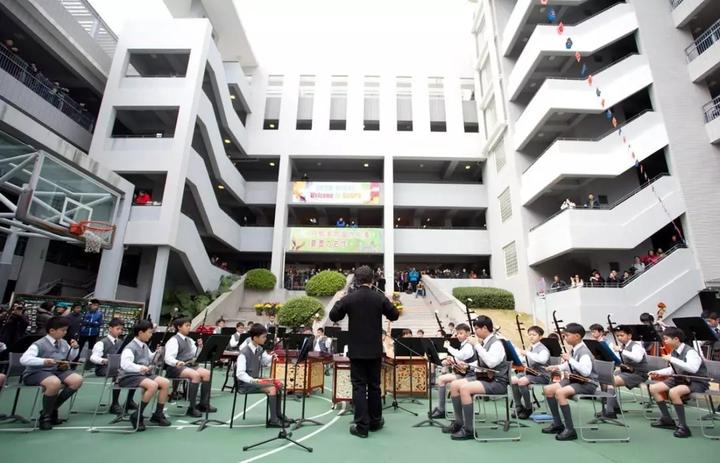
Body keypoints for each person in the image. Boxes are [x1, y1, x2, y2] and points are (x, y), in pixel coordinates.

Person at [329, 265, 400, 438]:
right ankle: (375, 421)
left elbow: (333, 316)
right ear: (372, 280)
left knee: (359, 387)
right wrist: (388, 301)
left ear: (356, 280)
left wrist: (340, 299)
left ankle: (362, 426)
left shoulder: (349, 298)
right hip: (374, 350)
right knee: (375, 386)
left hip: (357, 351)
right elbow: (394, 315)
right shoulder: (379, 297)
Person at [444, 315, 509, 440]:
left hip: (496, 382)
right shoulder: (486, 342)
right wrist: (468, 365)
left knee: (465, 389)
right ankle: (459, 422)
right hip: (485, 378)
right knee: (454, 385)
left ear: (484, 328)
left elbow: (491, 363)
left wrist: (477, 345)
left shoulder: (496, 344)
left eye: (476, 329)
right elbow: (482, 362)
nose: (475, 332)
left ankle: (469, 429)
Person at [20, 316, 83, 430]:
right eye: (63, 330)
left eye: (66, 330)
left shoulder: (63, 342)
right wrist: (43, 361)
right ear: (52, 331)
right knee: (54, 383)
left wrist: (75, 348)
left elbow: (70, 358)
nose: (65, 332)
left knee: (77, 380)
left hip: (57, 371)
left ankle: (51, 409)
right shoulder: (39, 344)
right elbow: (24, 359)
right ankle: (46, 417)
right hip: (36, 372)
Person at [648, 327, 710, 438]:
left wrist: (672, 359)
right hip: (680, 378)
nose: (664, 341)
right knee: (653, 388)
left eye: (666, 339)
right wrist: (658, 372)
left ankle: (683, 427)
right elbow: (674, 369)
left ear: (676, 339)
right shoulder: (674, 351)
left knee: (674, 392)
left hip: (696, 381)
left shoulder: (690, 352)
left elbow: (693, 369)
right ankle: (667, 419)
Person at [542, 323, 597, 441]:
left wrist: (570, 359)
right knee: (548, 389)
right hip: (575, 380)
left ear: (577, 336)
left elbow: (586, 372)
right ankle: (557, 423)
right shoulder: (575, 349)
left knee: (560, 393)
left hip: (587, 383)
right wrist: (556, 367)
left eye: (567, 335)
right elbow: (569, 365)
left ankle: (570, 429)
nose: (564, 338)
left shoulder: (584, 352)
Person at [118, 320, 171, 431]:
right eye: (149, 332)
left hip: (142, 375)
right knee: (153, 385)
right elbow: (125, 364)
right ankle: (137, 415)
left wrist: (157, 353)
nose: (151, 335)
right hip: (128, 376)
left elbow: (149, 358)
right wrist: (140, 368)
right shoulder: (130, 347)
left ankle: (158, 414)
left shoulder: (144, 345)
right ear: (141, 333)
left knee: (165, 383)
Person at [235, 323, 291, 427]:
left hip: (255, 380)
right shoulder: (244, 352)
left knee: (278, 384)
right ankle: (273, 420)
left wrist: (272, 357)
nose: (265, 339)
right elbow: (240, 374)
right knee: (272, 388)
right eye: (263, 337)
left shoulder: (259, 349)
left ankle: (278, 414)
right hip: (245, 384)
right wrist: (253, 380)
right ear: (255, 338)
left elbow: (264, 361)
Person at [164, 317, 216, 417]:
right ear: (179, 327)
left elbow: (195, 354)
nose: (189, 327)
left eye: (189, 325)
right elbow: (168, 358)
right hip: (175, 368)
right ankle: (192, 407)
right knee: (195, 375)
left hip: (189, 366)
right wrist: (177, 362)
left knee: (207, 373)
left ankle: (203, 404)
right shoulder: (173, 340)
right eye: (186, 325)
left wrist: (200, 347)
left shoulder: (189, 340)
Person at [89, 318, 137, 414]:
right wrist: (104, 360)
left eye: (121, 329)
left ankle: (129, 400)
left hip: (116, 367)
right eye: (117, 329)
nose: (120, 331)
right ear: (110, 328)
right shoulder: (101, 342)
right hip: (102, 369)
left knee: (134, 372)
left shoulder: (121, 342)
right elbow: (93, 357)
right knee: (118, 373)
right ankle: (114, 404)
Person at [601, 325, 649, 419]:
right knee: (605, 379)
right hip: (627, 371)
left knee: (611, 381)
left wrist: (621, 350)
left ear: (629, 336)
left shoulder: (636, 346)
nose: (619, 338)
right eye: (617, 336)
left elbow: (638, 358)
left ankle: (610, 412)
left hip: (638, 374)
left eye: (621, 335)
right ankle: (614, 407)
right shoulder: (623, 346)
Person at [430, 323, 476, 419]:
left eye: (461, 333)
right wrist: (451, 360)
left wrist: (448, 347)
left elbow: (461, 355)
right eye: (457, 333)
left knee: (442, 379)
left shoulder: (468, 345)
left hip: (469, 375)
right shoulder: (464, 345)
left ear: (468, 333)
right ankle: (441, 408)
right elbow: (460, 358)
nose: (458, 335)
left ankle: (442, 410)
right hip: (463, 373)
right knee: (441, 379)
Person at [511, 325, 551, 419]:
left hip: (542, 375)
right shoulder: (531, 348)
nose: (531, 337)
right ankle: (518, 406)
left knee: (521, 381)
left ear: (540, 337)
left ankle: (528, 408)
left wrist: (527, 353)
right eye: (530, 335)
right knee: (512, 380)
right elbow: (526, 360)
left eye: (534, 335)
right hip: (530, 373)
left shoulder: (543, 349)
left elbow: (542, 360)